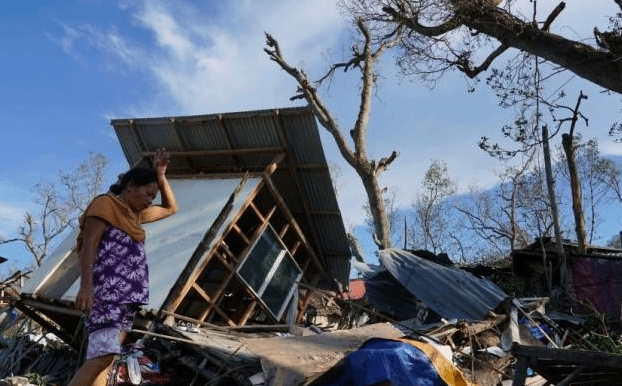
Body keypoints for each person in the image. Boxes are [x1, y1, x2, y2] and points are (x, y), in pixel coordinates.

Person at [68, 148, 178, 386]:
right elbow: (89, 245)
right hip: (108, 293)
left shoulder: (134, 216)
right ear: (130, 187)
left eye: (152, 196)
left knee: (105, 359)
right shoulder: (105, 204)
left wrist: (160, 176)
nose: (150, 201)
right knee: (102, 357)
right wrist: (86, 288)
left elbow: (171, 208)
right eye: (148, 194)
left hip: (127, 298)